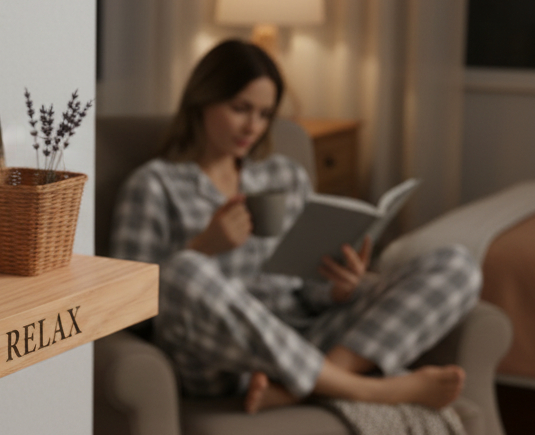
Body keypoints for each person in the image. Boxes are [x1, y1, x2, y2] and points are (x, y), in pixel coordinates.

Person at [110, 39, 480, 413]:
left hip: (302, 336)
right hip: (218, 360)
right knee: (182, 272)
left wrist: (337, 289)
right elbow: (126, 312)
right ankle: (363, 390)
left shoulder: (284, 176)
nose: (252, 126)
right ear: (202, 100)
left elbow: (305, 289)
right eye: (240, 109)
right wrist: (203, 247)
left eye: (264, 114)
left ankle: (302, 387)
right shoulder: (154, 185)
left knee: (456, 263)